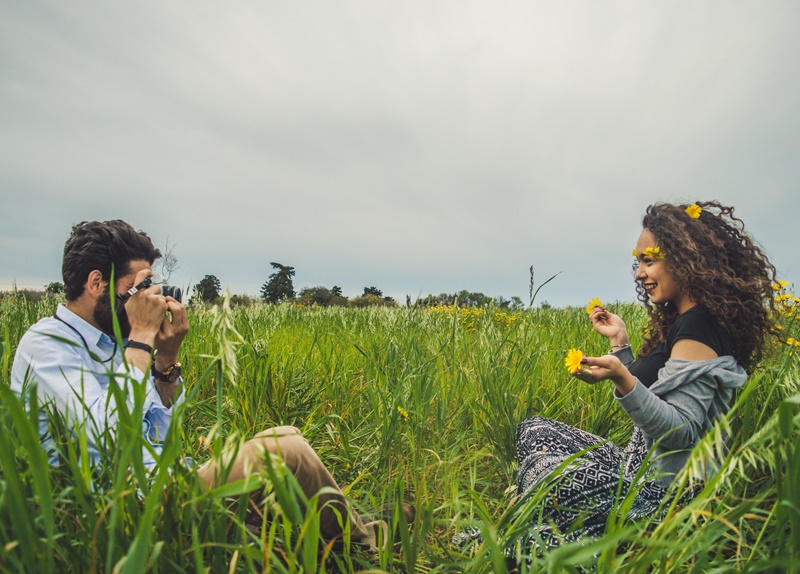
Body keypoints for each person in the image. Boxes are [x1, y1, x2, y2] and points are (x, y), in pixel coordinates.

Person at [10, 220, 390, 550]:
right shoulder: (46, 346)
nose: (149, 301)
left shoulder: (115, 342)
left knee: (285, 434)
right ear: (96, 283)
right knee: (284, 451)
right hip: (121, 513)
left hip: (163, 483)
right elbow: (111, 437)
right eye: (138, 289)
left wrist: (165, 359)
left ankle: (341, 535)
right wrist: (140, 339)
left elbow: (164, 436)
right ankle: (363, 547)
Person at [512, 201, 777, 549]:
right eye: (638, 262)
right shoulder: (686, 319)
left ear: (686, 258)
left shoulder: (699, 327)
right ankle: (552, 518)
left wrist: (621, 379)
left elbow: (681, 430)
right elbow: (656, 389)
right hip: (638, 466)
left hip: (668, 496)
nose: (639, 274)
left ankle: (559, 534)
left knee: (546, 471)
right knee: (533, 429)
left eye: (649, 261)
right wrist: (620, 344)